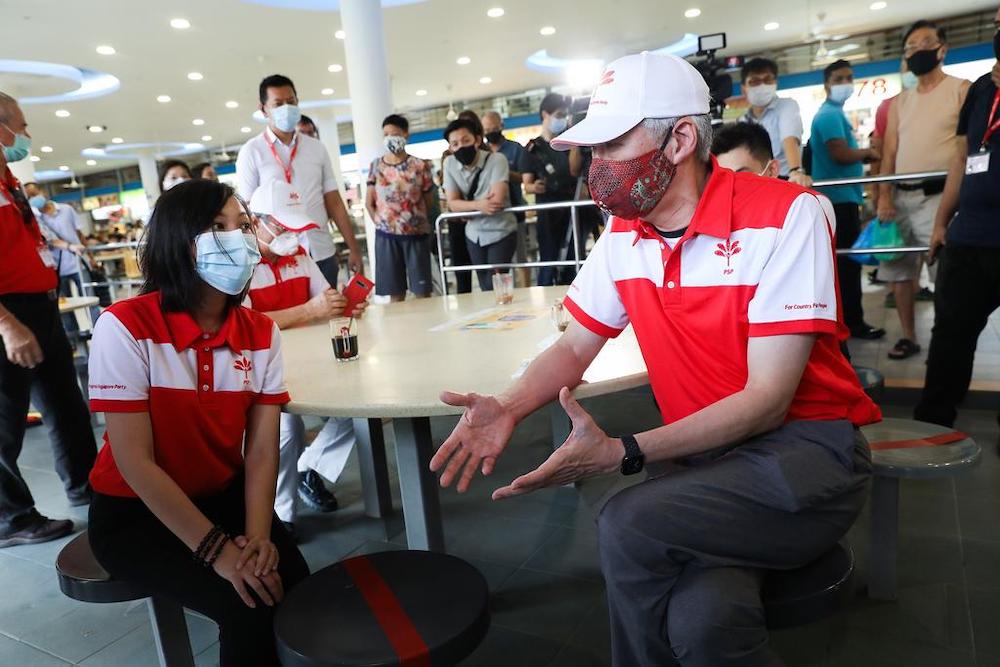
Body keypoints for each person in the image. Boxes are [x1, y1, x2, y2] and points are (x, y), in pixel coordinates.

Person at [429, 52, 878, 666]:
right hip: (701, 467)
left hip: (804, 455)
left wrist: (624, 451)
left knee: (628, 522)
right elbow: (572, 346)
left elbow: (768, 399)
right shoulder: (623, 238)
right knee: (704, 622)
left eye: (610, 146)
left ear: (681, 139)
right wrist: (508, 406)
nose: (596, 168)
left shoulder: (783, 217)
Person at [86, 179, 309, 665]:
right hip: (134, 513)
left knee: (293, 587)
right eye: (216, 227)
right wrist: (222, 554)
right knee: (245, 601)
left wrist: (259, 538)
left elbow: (264, 450)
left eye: (243, 226)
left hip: (223, 496)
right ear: (177, 240)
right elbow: (134, 462)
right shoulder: (124, 326)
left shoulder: (261, 331)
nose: (238, 238)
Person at [0, 92, 97, 549]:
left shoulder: (10, 181)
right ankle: (11, 518)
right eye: (20, 124)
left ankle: (86, 485)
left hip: (39, 307)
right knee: (5, 422)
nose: (26, 134)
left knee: (66, 404)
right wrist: (6, 325)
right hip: (8, 313)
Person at [245, 180, 367, 536]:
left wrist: (343, 305)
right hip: (266, 367)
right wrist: (309, 310)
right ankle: (283, 516)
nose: (291, 235)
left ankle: (309, 468)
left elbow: (324, 300)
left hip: (314, 358)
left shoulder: (299, 255)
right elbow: (246, 323)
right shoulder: (241, 265)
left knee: (361, 406)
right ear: (256, 222)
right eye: (283, 226)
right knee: (285, 427)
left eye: (295, 227)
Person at [915, 9, 1000, 429]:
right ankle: (932, 425)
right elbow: (962, 157)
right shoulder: (983, 89)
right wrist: (941, 223)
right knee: (950, 336)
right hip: (968, 238)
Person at [877, 20, 970, 360]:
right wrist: (884, 195)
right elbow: (888, 152)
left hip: (940, 197)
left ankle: (945, 342)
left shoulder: (961, 89)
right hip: (900, 198)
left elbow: (968, 148)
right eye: (910, 47)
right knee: (899, 273)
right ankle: (908, 336)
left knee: (943, 272)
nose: (917, 51)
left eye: (924, 43)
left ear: (942, 48)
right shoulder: (900, 102)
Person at [236, 74, 363, 289]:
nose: (287, 108)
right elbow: (247, 212)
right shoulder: (252, 151)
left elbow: (333, 200)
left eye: (291, 102)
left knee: (330, 312)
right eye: (278, 104)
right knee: (297, 316)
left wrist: (353, 247)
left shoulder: (316, 148)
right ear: (263, 109)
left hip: (320, 248)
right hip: (280, 254)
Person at [809, 60, 885, 341]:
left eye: (849, 77)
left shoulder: (834, 113)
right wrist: (868, 153)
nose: (846, 83)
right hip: (837, 200)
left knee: (846, 266)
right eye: (840, 78)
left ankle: (851, 321)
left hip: (843, 198)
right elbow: (839, 154)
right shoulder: (828, 115)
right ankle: (853, 323)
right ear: (827, 83)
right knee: (847, 267)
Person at [442, 118, 517, 292]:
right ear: (450, 148)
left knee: (495, 285)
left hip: (501, 231)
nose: (461, 146)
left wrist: (466, 205)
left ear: (477, 140)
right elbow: (452, 204)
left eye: (466, 140)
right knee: (485, 287)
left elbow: (496, 201)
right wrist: (480, 204)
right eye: (455, 144)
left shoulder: (497, 159)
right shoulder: (449, 164)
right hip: (473, 235)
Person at [365, 114, 435, 301]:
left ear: (405, 134)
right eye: (386, 134)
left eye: (394, 133)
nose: (390, 138)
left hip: (416, 235)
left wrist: (414, 220)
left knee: (422, 292)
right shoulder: (376, 166)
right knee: (394, 294)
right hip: (387, 237)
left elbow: (429, 200)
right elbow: (369, 202)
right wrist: (383, 224)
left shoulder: (420, 165)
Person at [524, 93, 583, 285]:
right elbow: (527, 184)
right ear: (545, 115)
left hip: (572, 212)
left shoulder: (568, 144)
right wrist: (535, 187)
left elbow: (575, 172)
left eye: (564, 115)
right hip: (548, 213)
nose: (562, 119)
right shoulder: (533, 148)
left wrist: (575, 143)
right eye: (558, 114)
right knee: (548, 262)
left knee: (574, 260)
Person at [26, 191, 99, 333]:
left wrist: (90, 256)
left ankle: (99, 331)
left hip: (78, 262)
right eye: (30, 197)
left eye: (34, 193)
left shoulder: (66, 209)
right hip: (57, 267)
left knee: (91, 299)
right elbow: (48, 239)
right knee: (63, 307)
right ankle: (75, 339)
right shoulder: (36, 218)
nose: (34, 198)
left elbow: (79, 234)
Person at [738, 58, 812, 186]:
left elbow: (789, 139)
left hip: (786, 179)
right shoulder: (742, 121)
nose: (762, 85)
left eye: (767, 80)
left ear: (775, 83)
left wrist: (795, 171)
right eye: (754, 81)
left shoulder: (787, 106)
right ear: (744, 88)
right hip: (756, 184)